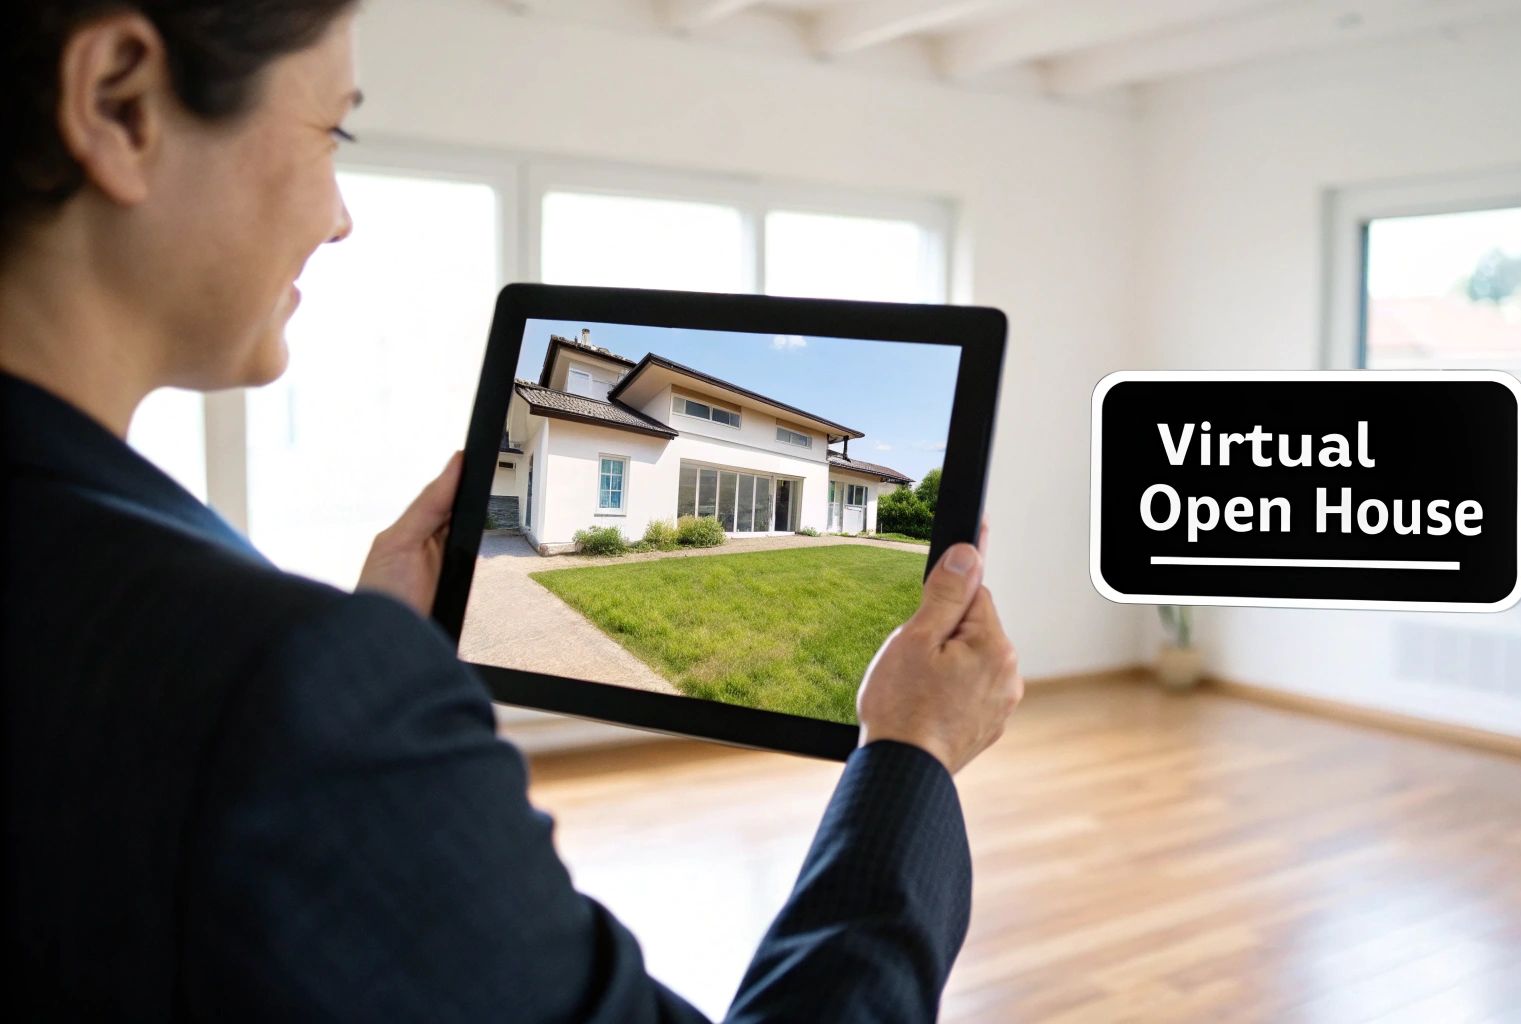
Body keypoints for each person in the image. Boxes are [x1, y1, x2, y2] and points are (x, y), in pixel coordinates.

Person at [0, 2, 1025, 1020]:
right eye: (333, 131)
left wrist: (379, 647)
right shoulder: (288, 694)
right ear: (119, 103)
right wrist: (909, 754)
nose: (338, 214)